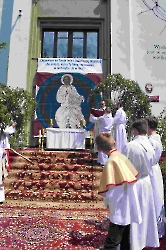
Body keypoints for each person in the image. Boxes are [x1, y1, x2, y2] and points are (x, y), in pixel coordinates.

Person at [96, 133, 142, 250]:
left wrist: (107, 203)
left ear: (99, 149)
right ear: (114, 143)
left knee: (112, 241)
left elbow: (111, 189)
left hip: (119, 205)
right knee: (125, 238)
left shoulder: (111, 162)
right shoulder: (122, 157)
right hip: (129, 201)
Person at [122, 118, 160, 250]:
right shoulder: (151, 144)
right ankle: (145, 240)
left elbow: (122, 167)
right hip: (147, 182)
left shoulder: (130, 146)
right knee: (146, 213)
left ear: (135, 130)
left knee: (134, 214)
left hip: (135, 183)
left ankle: (134, 242)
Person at [146, 116, 165, 238]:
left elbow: (148, 157)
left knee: (152, 197)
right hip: (155, 169)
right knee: (157, 196)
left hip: (151, 170)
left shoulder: (151, 141)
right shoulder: (157, 138)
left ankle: (153, 229)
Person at [0, 122, 16, 204]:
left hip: (1, 152)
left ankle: (0, 198)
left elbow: (6, 131)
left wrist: (11, 126)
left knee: (1, 175)